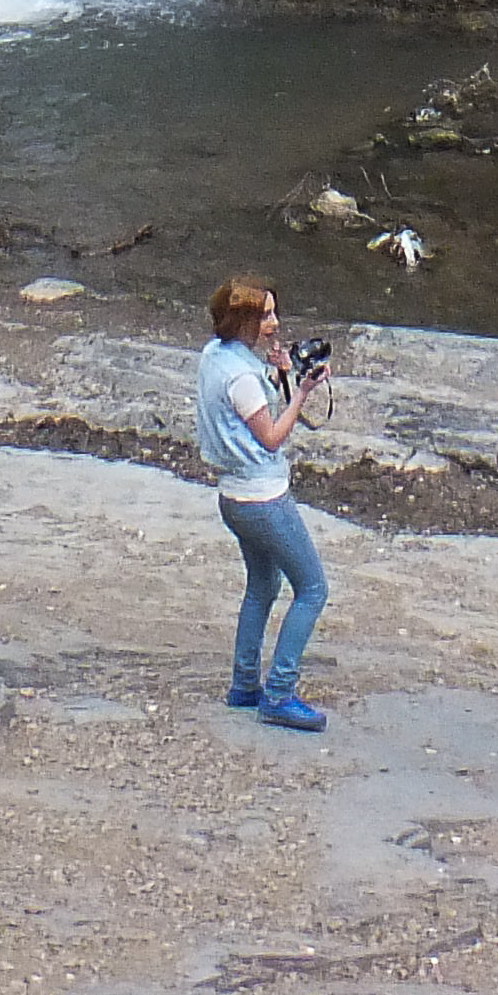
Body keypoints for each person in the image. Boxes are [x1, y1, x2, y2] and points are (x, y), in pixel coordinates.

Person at [195, 276, 330, 728]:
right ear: (244, 320)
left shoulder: (215, 357)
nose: (274, 323)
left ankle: (244, 684)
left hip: (232, 496)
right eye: (266, 315)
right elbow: (271, 436)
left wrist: (279, 375)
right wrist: (303, 393)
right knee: (312, 589)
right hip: (263, 499)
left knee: (263, 587)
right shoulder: (241, 376)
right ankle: (279, 693)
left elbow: (241, 415)